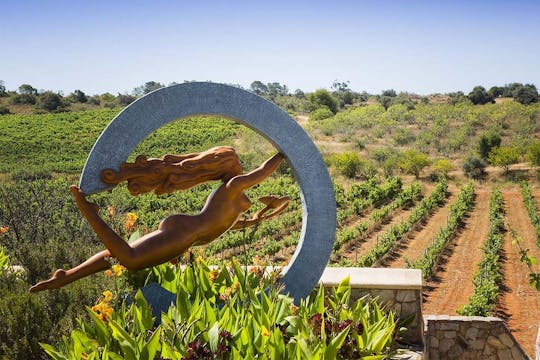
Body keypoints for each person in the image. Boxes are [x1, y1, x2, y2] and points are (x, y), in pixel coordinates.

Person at [30, 146, 289, 292]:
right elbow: (264, 171)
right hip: (185, 233)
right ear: (229, 167)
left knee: (123, 257)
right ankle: (89, 211)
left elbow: (224, 222)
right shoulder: (233, 185)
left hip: (188, 234)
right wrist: (285, 152)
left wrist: (254, 220)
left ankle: (67, 276)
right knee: (129, 259)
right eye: (238, 164)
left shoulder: (232, 193)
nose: (242, 169)